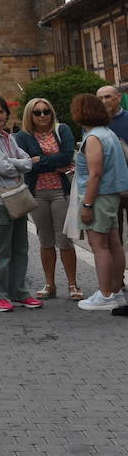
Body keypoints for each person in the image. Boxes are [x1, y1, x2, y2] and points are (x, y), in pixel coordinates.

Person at [0, 96, 43, 313]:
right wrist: (20, 164)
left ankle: (18, 291)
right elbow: (1, 166)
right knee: (1, 249)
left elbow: (27, 161)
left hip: (16, 196)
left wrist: (19, 163)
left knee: (20, 247)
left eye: (2, 111)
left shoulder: (7, 136)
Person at [13, 98, 80, 300]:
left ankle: (73, 284)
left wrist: (39, 160)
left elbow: (67, 157)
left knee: (65, 240)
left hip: (61, 191)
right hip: (37, 193)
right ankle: (49, 284)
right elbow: (26, 164)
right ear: (29, 115)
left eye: (46, 111)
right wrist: (50, 163)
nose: (43, 115)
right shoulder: (23, 136)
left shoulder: (63, 130)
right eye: (37, 112)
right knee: (45, 240)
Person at [70, 93, 128, 311]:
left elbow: (95, 174)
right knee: (114, 244)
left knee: (100, 246)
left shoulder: (93, 137)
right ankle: (115, 291)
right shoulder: (109, 133)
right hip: (111, 195)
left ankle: (105, 294)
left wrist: (87, 205)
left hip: (98, 196)